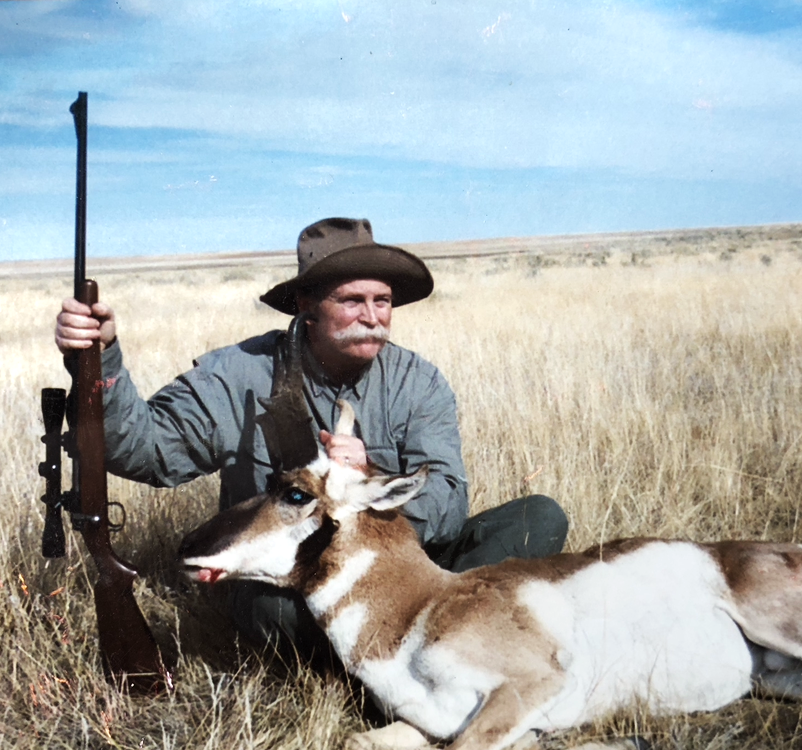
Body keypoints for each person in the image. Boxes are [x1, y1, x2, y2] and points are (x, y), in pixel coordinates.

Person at [55, 217, 569, 655]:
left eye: (383, 301)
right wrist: (101, 359)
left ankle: (414, 641)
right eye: (352, 301)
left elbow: (448, 507)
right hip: (296, 586)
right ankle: (414, 657)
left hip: (402, 578)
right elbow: (146, 452)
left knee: (538, 518)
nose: (373, 318)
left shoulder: (419, 382)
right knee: (265, 610)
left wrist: (371, 485)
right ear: (305, 303)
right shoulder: (240, 374)